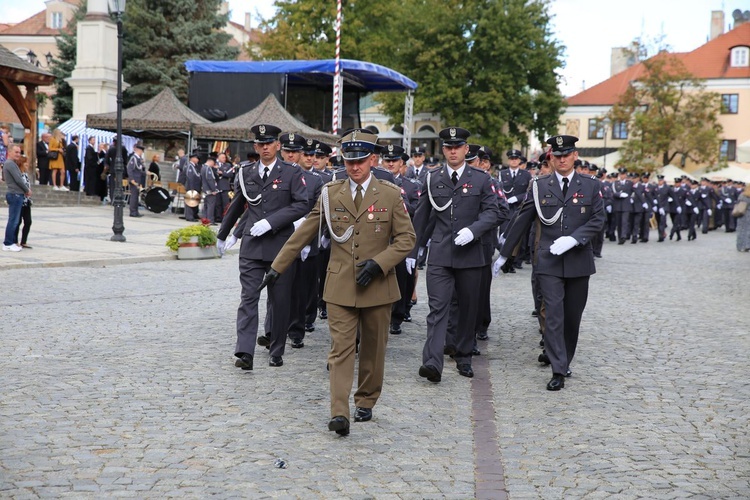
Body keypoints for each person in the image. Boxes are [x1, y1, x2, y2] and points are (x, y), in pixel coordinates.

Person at [259, 129, 415, 436]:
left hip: (379, 287)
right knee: (340, 350)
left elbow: (407, 239)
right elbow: (305, 231)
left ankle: (366, 400)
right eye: (348, 161)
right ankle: (339, 412)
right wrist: (278, 267)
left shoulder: (390, 194)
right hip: (340, 285)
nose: (354, 167)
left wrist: (379, 264)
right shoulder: (331, 194)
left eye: (360, 161)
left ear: (372, 159)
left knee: (372, 350)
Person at [495, 135, 604, 391]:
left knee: (572, 317)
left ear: (575, 156)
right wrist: (503, 253)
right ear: (551, 158)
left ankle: (564, 358)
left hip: (578, 261)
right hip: (550, 261)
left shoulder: (590, 184)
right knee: (553, 314)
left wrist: (575, 239)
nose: (562, 159)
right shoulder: (539, 185)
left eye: (566, 154)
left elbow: (598, 220)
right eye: (557, 155)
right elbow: (522, 219)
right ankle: (558, 368)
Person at [216, 124, 309, 370]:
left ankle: (276, 349)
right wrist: (224, 234)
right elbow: (238, 204)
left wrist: (271, 222)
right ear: (255, 147)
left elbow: (301, 204)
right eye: (260, 144)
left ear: (277, 146)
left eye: (269, 143)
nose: (265, 147)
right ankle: (245, 351)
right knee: (248, 298)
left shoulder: (290, 172)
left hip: (281, 246)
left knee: (279, 301)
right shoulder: (246, 171)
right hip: (252, 247)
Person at [412, 127, 501, 383]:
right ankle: (432, 362)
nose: (452, 151)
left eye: (457, 146)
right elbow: (422, 217)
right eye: (448, 147)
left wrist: (473, 232)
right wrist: (412, 251)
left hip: (470, 254)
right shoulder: (432, 178)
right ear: (443, 150)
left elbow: (492, 213)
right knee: (437, 308)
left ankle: (463, 355)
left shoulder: (481, 179)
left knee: (467, 308)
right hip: (440, 253)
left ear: (465, 149)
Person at [3, 145, 31, 252]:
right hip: (15, 194)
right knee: (13, 220)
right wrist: (27, 190)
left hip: (16, 194)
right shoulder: (10, 163)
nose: (18, 154)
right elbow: (19, 180)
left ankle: (11, 242)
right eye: (16, 152)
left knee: (14, 220)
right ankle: (8, 242)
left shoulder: (11, 164)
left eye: (19, 152)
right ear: (9, 152)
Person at [14, 154, 33, 249]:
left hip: (27, 201)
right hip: (19, 201)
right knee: (17, 221)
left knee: (28, 221)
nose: (27, 165)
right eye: (26, 163)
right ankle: (14, 241)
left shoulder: (25, 174)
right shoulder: (18, 174)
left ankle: (24, 241)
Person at [126, 143, 146, 217]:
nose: (142, 153)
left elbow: (139, 170)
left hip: (138, 179)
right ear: (139, 151)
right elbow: (130, 169)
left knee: (136, 195)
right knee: (134, 196)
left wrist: (146, 173)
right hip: (134, 179)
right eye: (141, 151)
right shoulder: (133, 158)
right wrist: (131, 179)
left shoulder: (138, 159)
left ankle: (136, 211)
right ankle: (133, 212)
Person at [200, 156, 219, 224]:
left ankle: (204, 219)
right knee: (211, 205)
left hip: (205, 189)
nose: (213, 165)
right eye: (213, 163)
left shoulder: (203, 167)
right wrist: (213, 189)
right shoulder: (208, 168)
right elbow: (210, 179)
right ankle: (210, 220)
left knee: (205, 205)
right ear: (211, 162)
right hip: (209, 190)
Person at [735, 184, 750, 252]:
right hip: (748, 214)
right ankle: (747, 245)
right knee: (748, 231)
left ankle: (740, 245)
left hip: (742, 213)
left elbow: (738, 203)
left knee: (741, 230)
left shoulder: (742, 195)